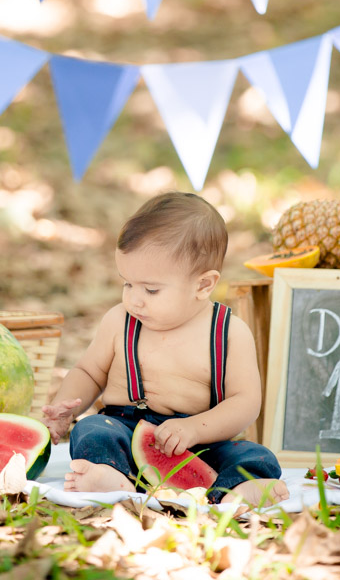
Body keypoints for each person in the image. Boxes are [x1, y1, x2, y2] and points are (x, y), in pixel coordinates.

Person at [41, 191, 287, 507]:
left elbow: (246, 402)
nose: (134, 299)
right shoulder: (119, 320)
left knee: (256, 456)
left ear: (203, 285)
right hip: (125, 429)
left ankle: (235, 490)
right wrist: (66, 407)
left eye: (151, 289)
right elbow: (88, 371)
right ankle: (109, 475)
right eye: (127, 283)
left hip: (200, 441)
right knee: (91, 431)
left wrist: (194, 429)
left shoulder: (228, 333)